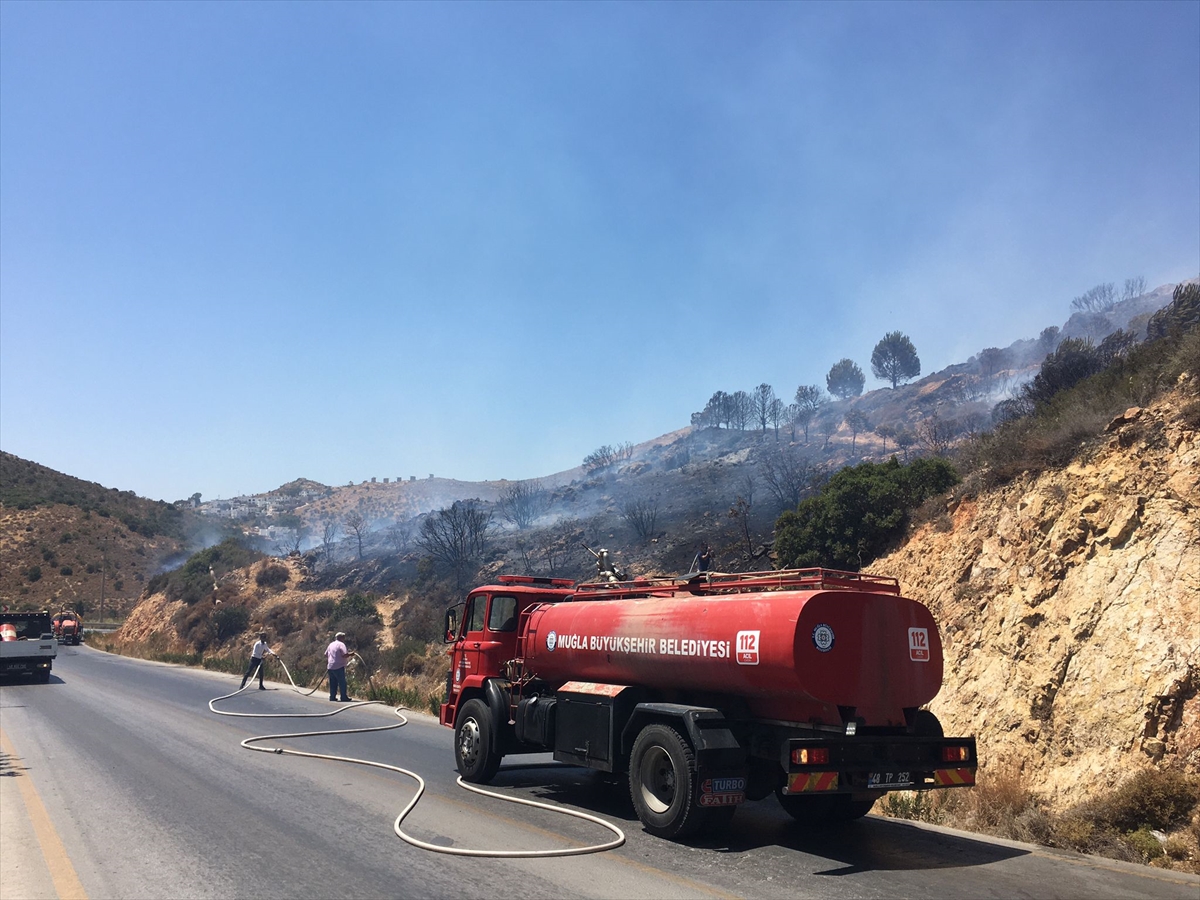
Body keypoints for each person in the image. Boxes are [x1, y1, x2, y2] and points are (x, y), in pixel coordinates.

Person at [325, 631, 351, 702]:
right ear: (341, 637)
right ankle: (343, 697)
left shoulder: (331, 644)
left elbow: (326, 654)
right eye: (343, 637)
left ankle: (332, 697)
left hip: (330, 666)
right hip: (338, 666)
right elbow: (344, 654)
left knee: (333, 682)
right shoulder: (341, 644)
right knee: (342, 682)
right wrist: (350, 654)